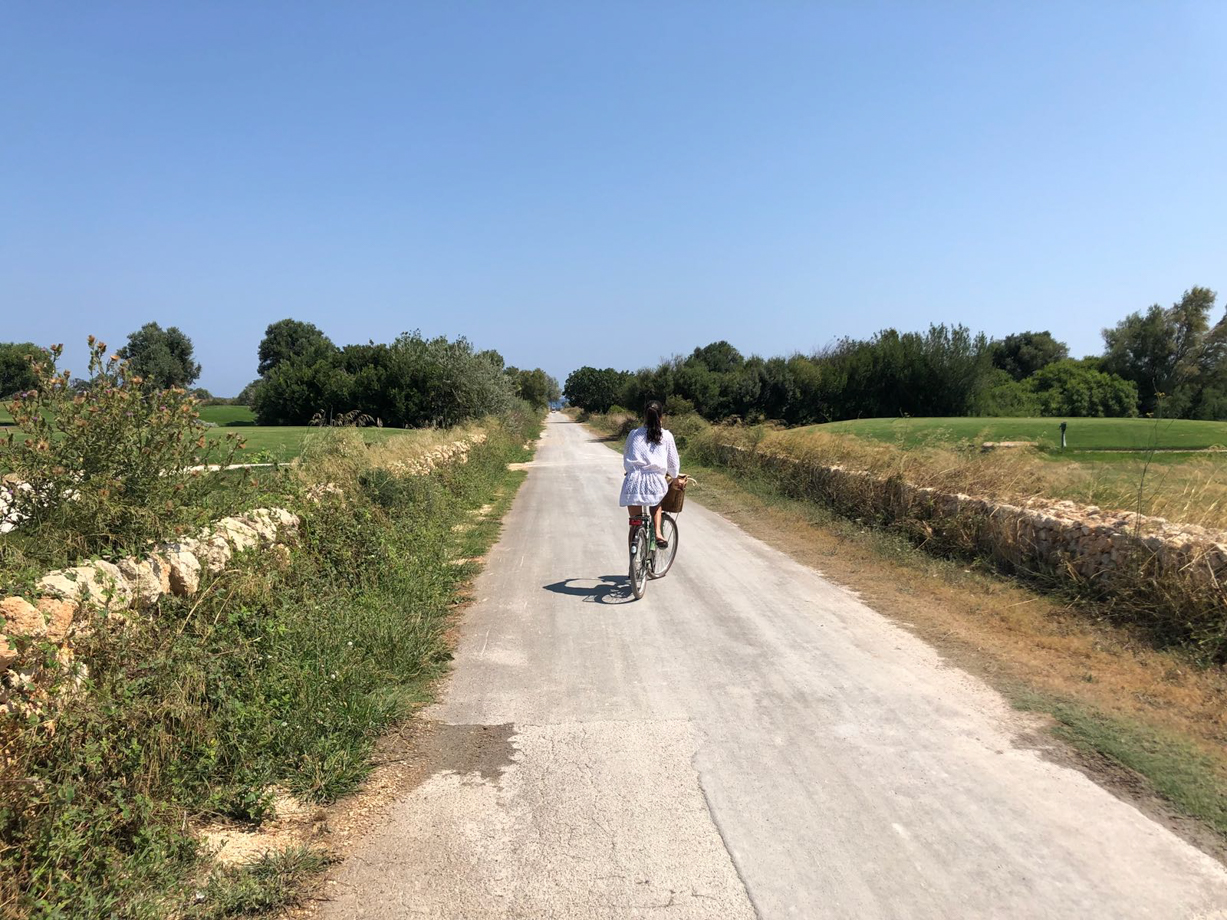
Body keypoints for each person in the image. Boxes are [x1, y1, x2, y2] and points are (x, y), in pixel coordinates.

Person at [619, 400, 680, 547]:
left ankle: (632, 564)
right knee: (656, 502)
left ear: (644, 416)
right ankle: (658, 532)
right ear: (661, 416)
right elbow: (672, 463)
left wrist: (630, 471)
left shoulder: (633, 434)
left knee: (635, 523)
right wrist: (676, 479)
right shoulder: (666, 436)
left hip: (633, 481)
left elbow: (626, 456)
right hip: (655, 482)